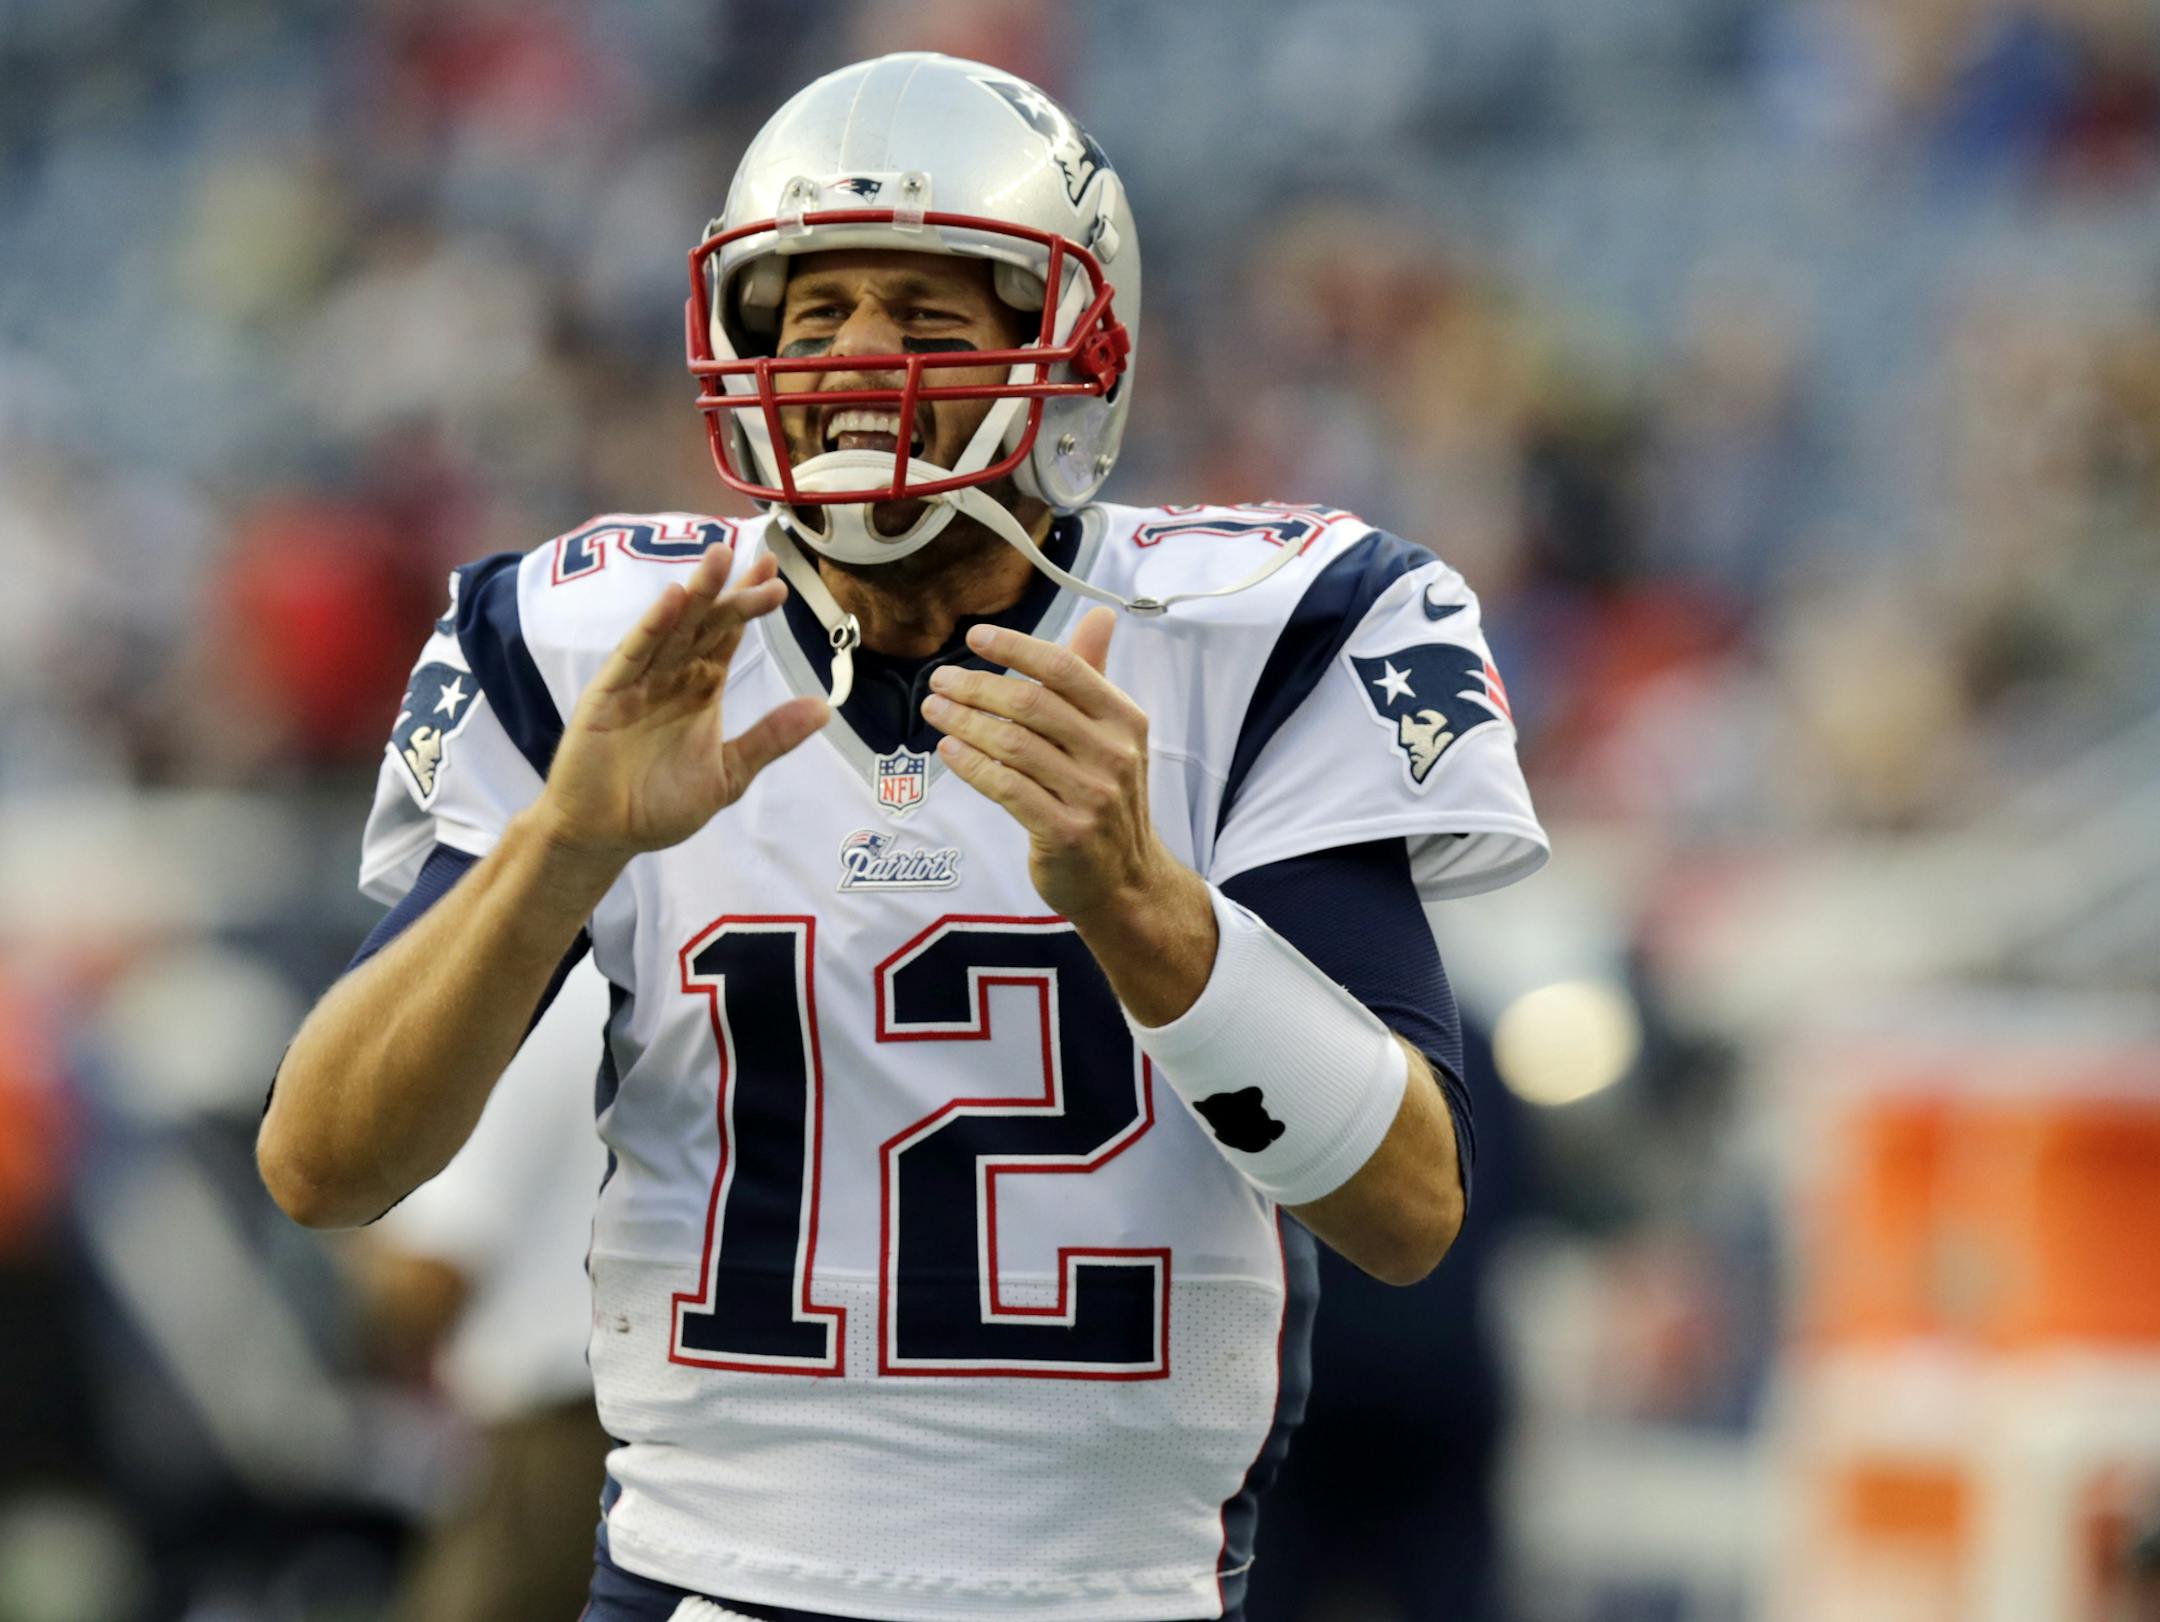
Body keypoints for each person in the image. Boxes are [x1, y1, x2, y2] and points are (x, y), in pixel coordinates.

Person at [258, 51, 1547, 1622]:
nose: (859, 362)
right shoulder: (604, 642)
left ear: (1069, 356)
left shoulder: (1255, 633)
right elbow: (322, 1164)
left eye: (929, 319)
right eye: (813, 317)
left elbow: (1409, 1207)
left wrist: (1144, 906)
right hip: (700, 1585)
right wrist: (561, 847)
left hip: (1110, 1594)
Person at [351, 957, 614, 1622]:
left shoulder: (531, 996)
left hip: (560, 1438)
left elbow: (426, 1283)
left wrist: (347, 1233)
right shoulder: (655, 974)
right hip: (694, 1415)